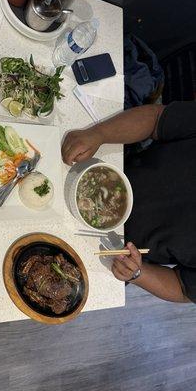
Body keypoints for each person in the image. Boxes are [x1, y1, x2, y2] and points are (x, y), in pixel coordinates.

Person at [62, 101, 196, 304]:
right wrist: (99, 134)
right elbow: (156, 119)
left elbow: (183, 288)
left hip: (116, 250)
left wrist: (137, 273)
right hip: (101, 167)